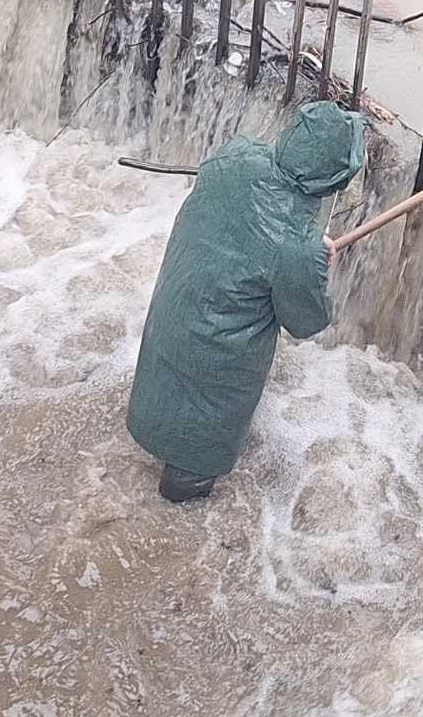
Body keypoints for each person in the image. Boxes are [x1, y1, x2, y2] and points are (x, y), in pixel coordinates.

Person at [127, 100, 366, 503]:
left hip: (173, 311)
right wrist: (313, 265)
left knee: (164, 391)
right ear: (333, 181)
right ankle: (178, 510)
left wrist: (305, 252)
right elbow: (305, 322)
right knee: (191, 471)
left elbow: (248, 231)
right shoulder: (296, 247)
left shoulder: (234, 154)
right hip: (218, 361)